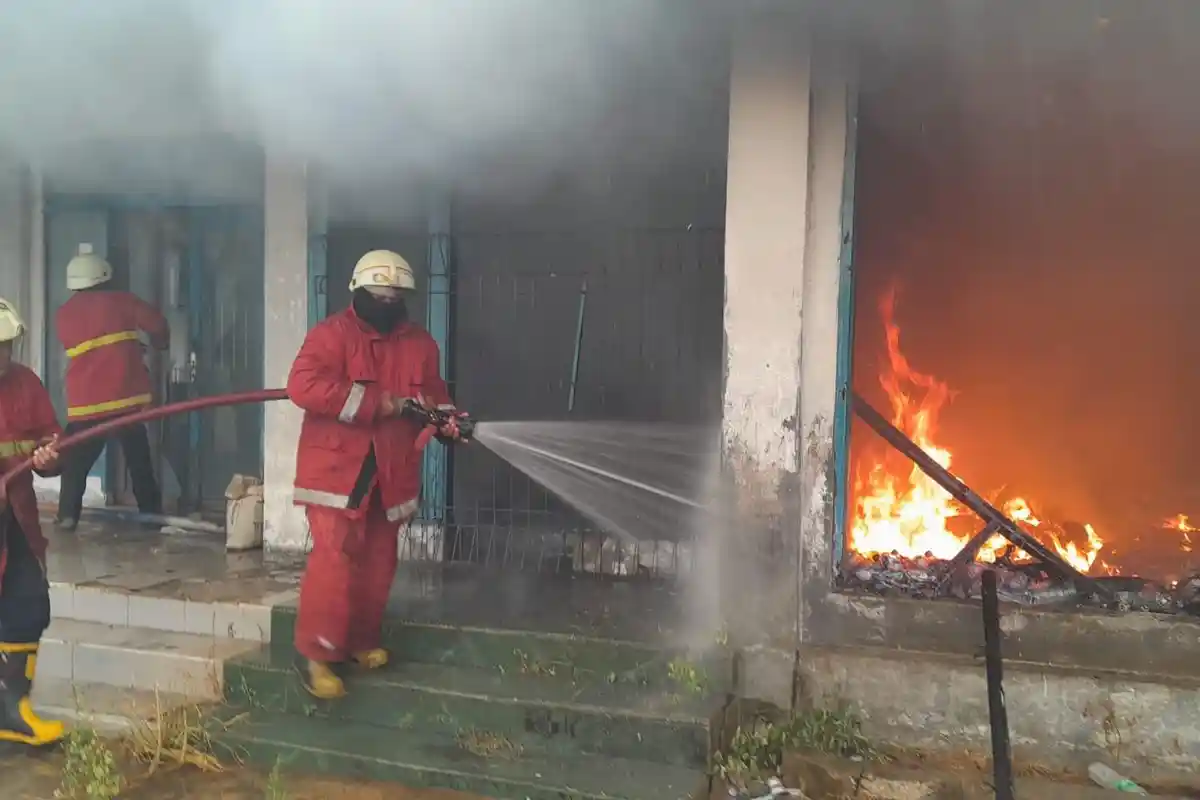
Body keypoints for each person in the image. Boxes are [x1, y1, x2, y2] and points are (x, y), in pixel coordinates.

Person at [287, 249, 467, 699]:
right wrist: (376, 403)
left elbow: (434, 395)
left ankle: (359, 642)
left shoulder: (420, 344)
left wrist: (447, 421)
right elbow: (301, 386)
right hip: (335, 472)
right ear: (358, 293)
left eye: (395, 297)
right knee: (335, 560)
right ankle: (319, 655)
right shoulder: (331, 335)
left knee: (379, 562)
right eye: (378, 295)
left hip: (391, 471)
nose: (387, 303)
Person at [54, 251, 170, 531]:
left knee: (75, 467)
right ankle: (151, 518)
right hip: (125, 402)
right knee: (139, 463)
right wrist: (157, 345)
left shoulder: (63, 314)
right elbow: (157, 324)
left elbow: (92, 350)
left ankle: (68, 517)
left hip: (86, 406)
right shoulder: (123, 301)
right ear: (104, 276)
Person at [0, 298, 68, 747]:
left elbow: (51, 438)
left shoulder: (25, 383)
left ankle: (13, 713)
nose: (3, 355)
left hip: (17, 520)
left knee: (28, 606)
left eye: (7, 345)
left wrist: (48, 456)